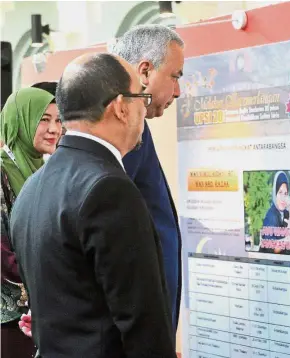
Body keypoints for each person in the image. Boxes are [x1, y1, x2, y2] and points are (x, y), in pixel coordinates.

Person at [10, 53, 176, 358]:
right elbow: (143, 323)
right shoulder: (108, 189)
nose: (145, 107)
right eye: (142, 95)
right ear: (120, 108)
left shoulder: (33, 187)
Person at [110, 24, 184, 332]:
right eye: (175, 76)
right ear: (145, 71)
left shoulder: (136, 126)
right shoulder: (123, 129)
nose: (178, 90)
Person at [1, 87, 62, 358]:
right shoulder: (2, 171)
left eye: (59, 120)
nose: (53, 129)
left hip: (47, 308)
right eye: (43, 119)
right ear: (21, 120)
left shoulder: (49, 171)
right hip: (9, 317)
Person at [259, 171, 290, 254]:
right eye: (280, 192)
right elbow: (273, 249)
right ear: (275, 193)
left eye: (285, 193)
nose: (283, 197)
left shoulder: (288, 214)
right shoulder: (270, 216)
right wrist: (289, 234)